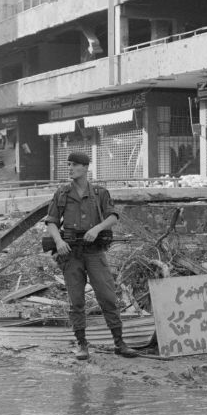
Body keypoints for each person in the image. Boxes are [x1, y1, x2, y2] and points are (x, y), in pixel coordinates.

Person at [44, 151, 138, 359]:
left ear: (86, 168)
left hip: (94, 252)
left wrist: (96, 229)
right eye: (68, 165)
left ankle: (119, 343)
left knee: (107, 297)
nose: (70, 168)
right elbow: (51, 221)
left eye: (74, 165)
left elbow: (113, 216)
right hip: (71, 253)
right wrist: (58, 241)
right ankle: (81, 344)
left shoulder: (99, 193)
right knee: (76, 300)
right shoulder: (62, 193)